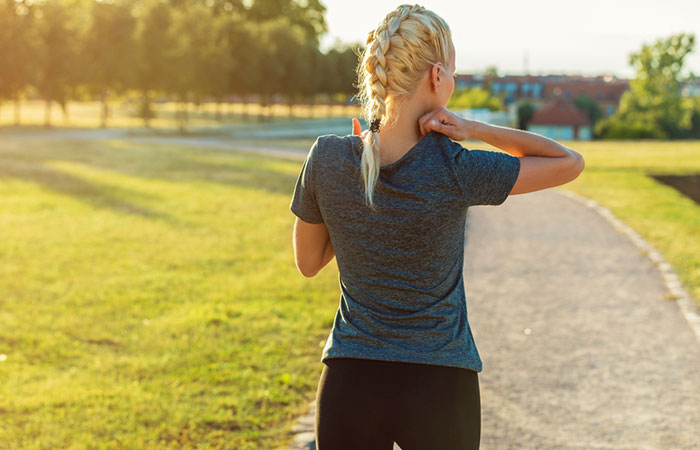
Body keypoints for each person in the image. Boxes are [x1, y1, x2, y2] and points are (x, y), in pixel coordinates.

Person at [289, 4, 585, 449]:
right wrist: (472, 127)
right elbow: (568, 162)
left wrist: (346, 190)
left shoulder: (328, 157)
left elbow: (308, 262)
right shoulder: (455, 165)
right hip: (441, 386)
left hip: (351, 381)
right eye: (453, 70)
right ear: (436, 76)